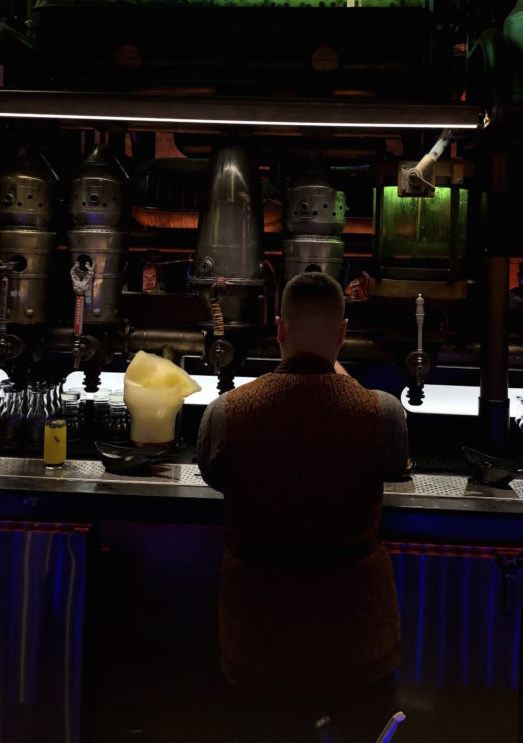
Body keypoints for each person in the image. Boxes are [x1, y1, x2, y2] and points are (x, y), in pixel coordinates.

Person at [197, 271, 408, 742]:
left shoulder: (226, 414)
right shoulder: (382, 414)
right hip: (357, 648)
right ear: (342, 334)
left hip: (257, 647)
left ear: (278, 330)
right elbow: (395, 464)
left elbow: (213, 474)